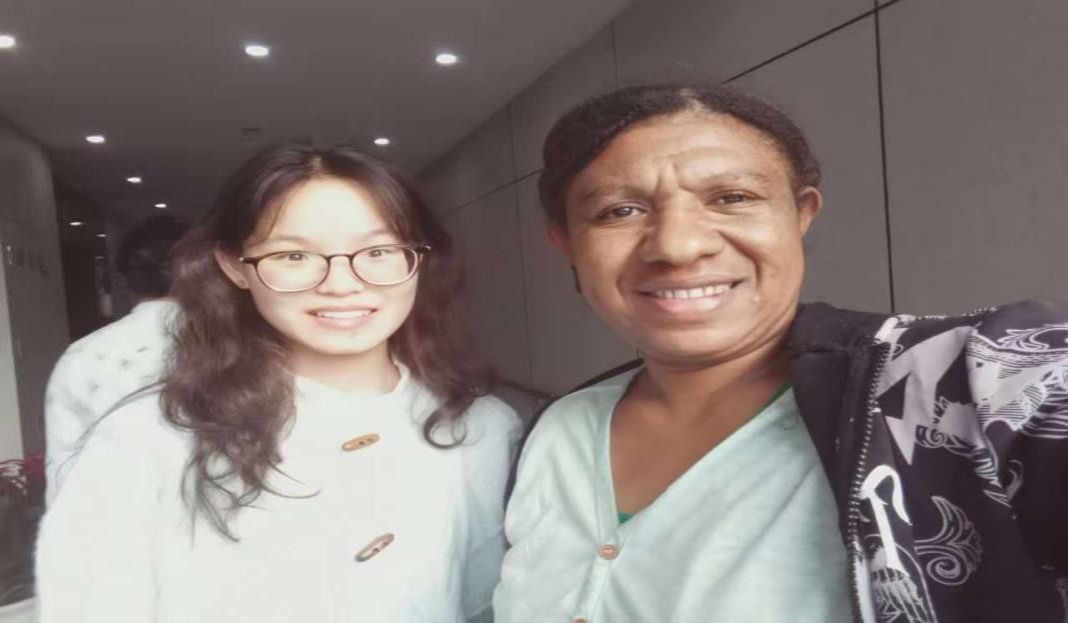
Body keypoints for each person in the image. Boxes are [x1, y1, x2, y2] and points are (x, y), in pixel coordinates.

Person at [494, 85, 1068, 622]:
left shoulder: (970, 377)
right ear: (566, 242)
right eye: (619, 211)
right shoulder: (558, 430)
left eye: (732, 198)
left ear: (801, 213)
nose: (677, 245)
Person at [36, 144, 519, 622]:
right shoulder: (148, 438)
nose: (341, 284)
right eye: (293, 255)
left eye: (378, 251)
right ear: (234, 266)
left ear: (418, 258)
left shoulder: (484, 429)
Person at [43, 214, 188, 504]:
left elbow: (63, 470)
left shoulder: (82, 356)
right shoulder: (240, 348)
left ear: (126, 279)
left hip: (115, 519)